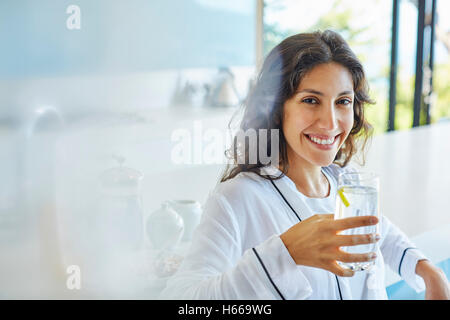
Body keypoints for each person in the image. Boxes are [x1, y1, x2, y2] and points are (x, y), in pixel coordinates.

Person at [160, 30, 450, 300]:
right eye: (311, 100)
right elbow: (183, 297)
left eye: (343, 101)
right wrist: (285, 253)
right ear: (275, 109)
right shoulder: (237, 199)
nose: (331, 122)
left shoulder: (345, 182)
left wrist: (424, 267)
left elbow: (380, 232)